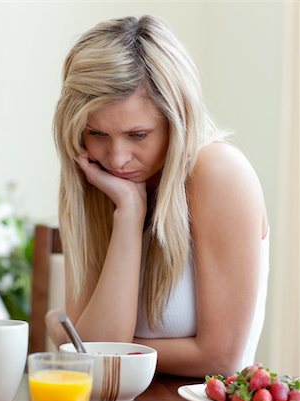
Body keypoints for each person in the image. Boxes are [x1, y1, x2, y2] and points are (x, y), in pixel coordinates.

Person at [46, 15, 269, 377]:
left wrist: (84, 340)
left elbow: (222, 358)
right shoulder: (91, 184)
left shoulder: (218, 172)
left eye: (138, 135)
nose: (116, 158)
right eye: (97, 133)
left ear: (176, 120)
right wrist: (129, 213)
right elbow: (91, 360)